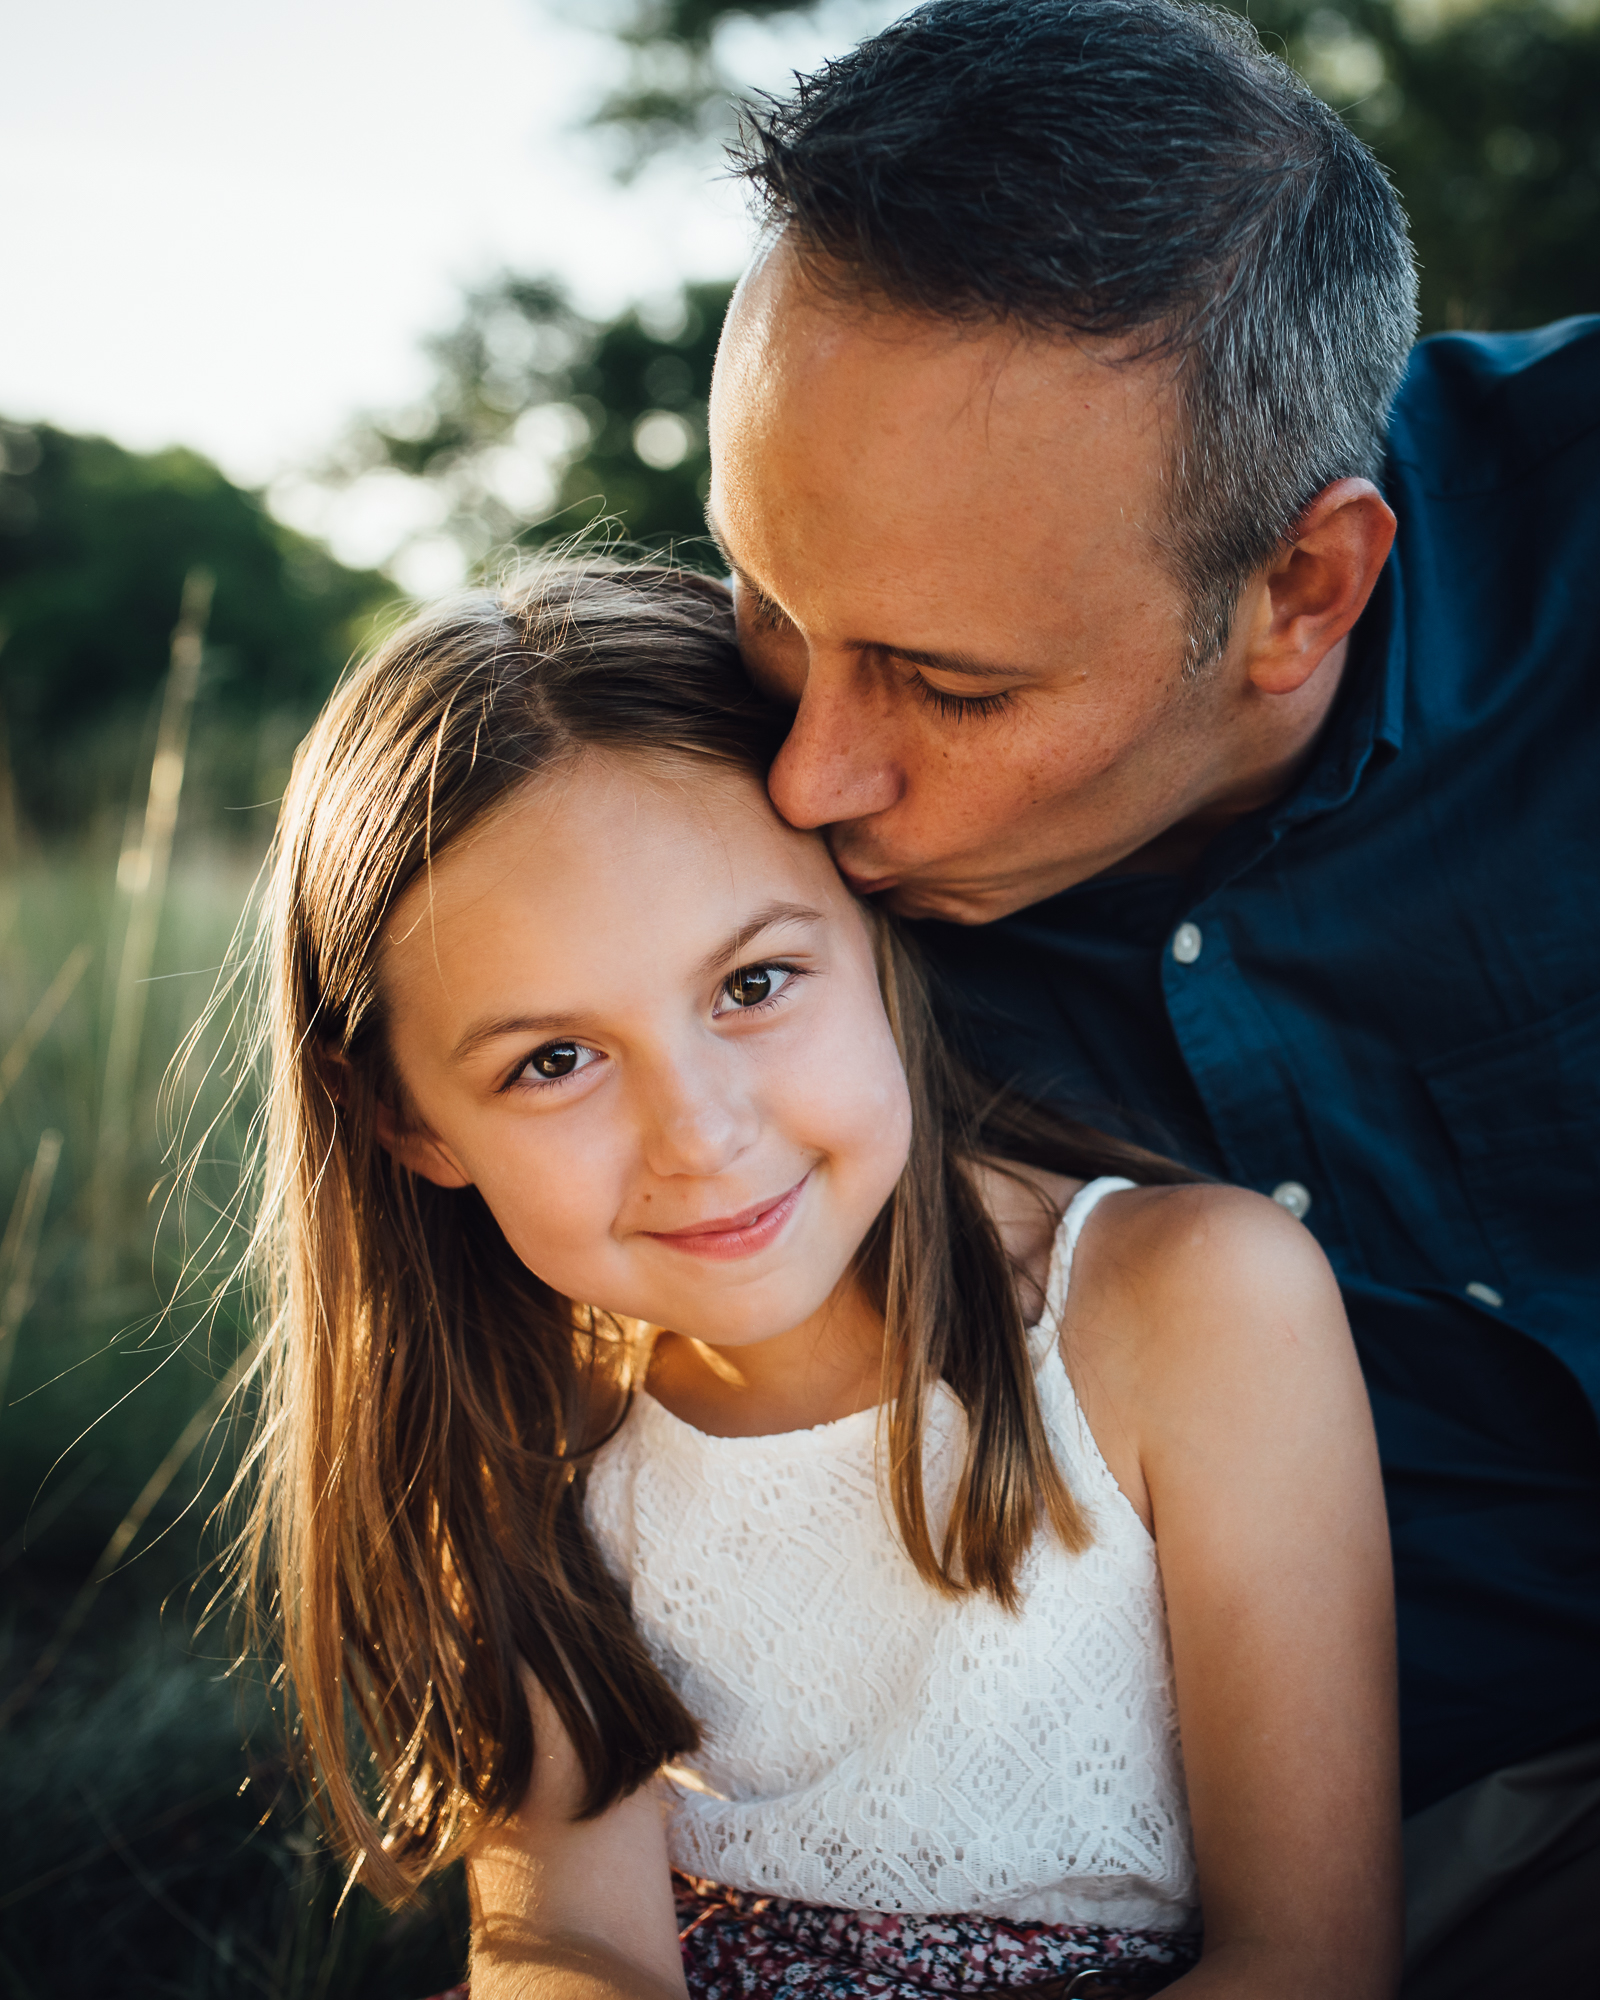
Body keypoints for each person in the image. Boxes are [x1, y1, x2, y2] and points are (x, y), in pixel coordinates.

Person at [700, 1, 1600, 1993]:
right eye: (771, 598)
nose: (806, 782)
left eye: (950, 687)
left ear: (1301, 591)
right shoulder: (689, 808)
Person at [233, 559, 1396, 2000]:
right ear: (407, 1120)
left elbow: (1312, 1955)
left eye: (753, 985)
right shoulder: (530, 1426)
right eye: (554, 1061)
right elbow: (564, 1934)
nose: (705, 1134)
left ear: (873, 925)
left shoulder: (1192, 1306)